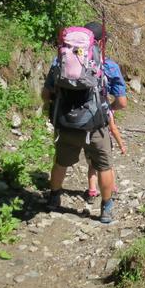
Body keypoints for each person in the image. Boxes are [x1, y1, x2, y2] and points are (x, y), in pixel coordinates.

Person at [41, 21, 127, 223]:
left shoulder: (59, 62)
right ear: (100, 42)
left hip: (65, 123)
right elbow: (122, 102)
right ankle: (106, 209)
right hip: (96, 126)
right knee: (104, 167)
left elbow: (46, 95)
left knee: (61, 162)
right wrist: (108, 110)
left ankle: (54, 198)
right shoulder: (108, 65)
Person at [85, 109, 126, 203]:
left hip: (89, 142)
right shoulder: (107, 110)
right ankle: (112, 189)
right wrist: (121, 145)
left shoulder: (87, 108)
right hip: (104, 143)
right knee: (108, 167)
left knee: (91, 167)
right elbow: (113, 129)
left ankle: (92, 192)